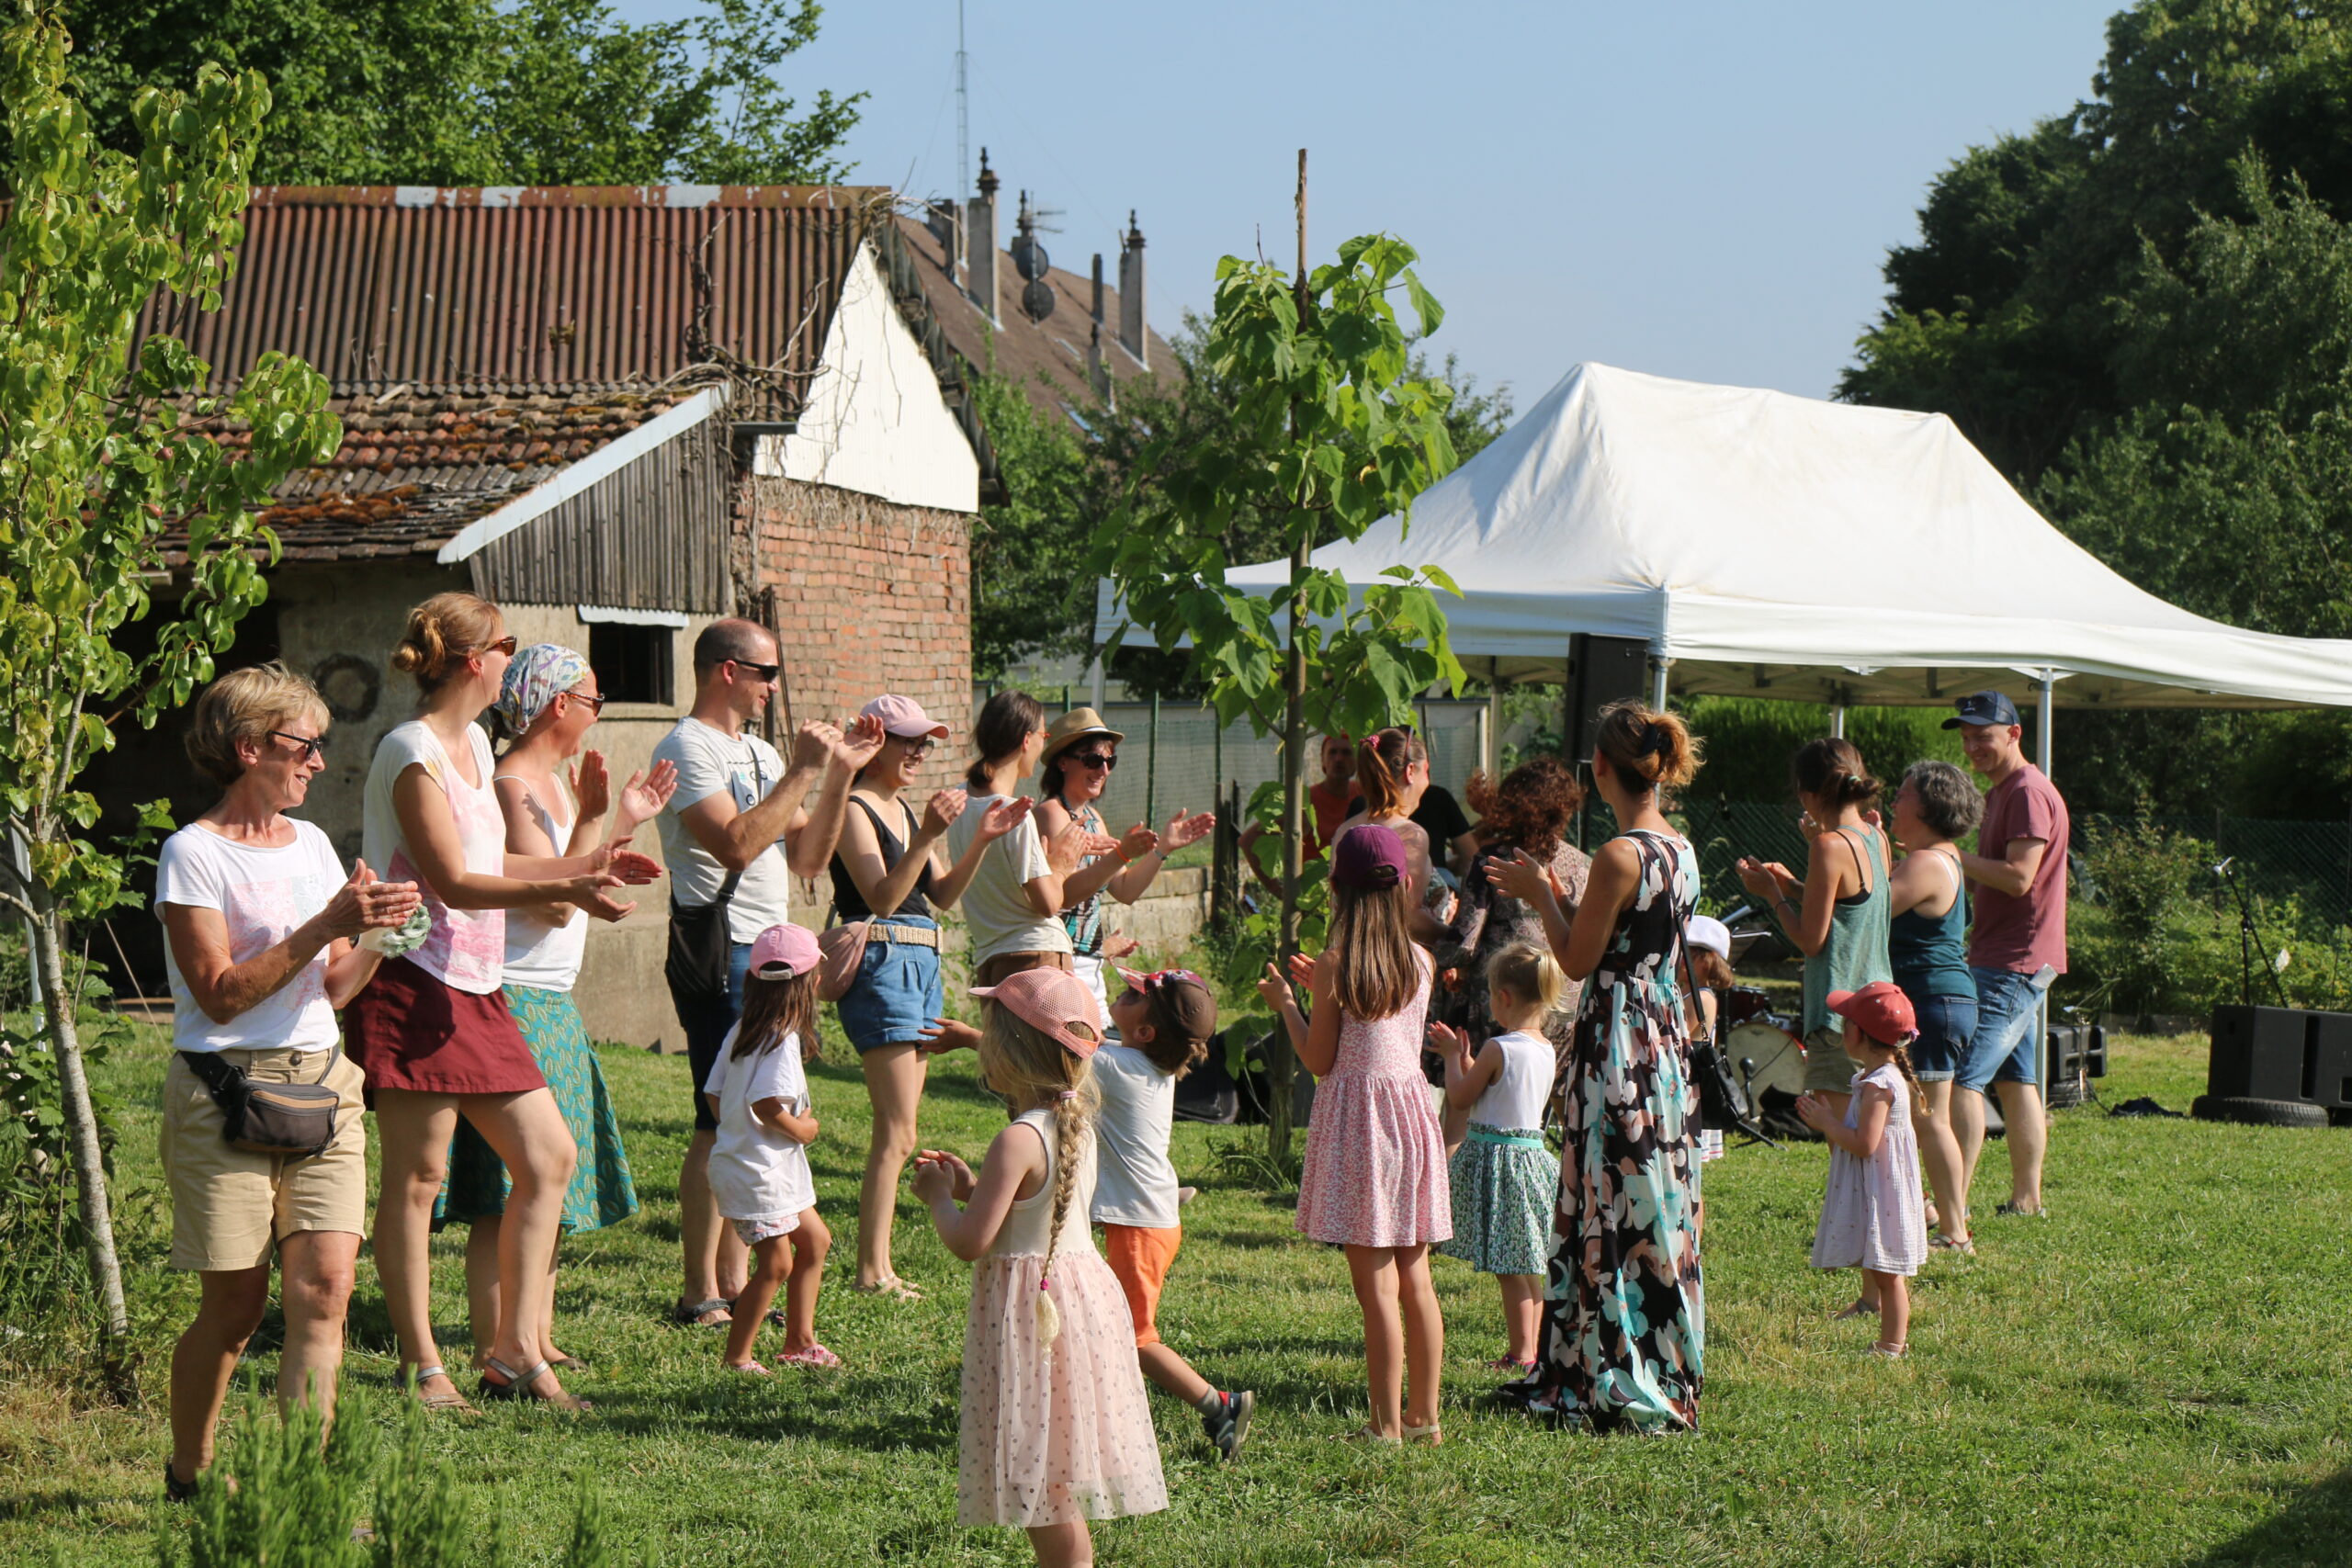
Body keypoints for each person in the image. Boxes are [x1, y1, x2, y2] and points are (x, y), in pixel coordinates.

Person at [345, 592, 661, 1414]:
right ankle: (425, 1366)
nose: (509, 660)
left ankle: (515, 1350)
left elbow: (501, 867)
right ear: (470, 659)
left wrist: (581, 878)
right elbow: (448, 878)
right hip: (414, 981)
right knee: (416, 1180)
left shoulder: (478, 750)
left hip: (481, 987)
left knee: (549, 1156)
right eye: (504, 645)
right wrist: (574, 880)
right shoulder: (411, 751)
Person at [155, 665, 423, 1499]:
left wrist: (382, 930)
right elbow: (222, 994)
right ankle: (191, 1470)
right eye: (304, 745)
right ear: (249, 748)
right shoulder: (192, 854)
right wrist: (327, 924)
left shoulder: (309, 844)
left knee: (326, 1291)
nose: (317, 761)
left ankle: (301, 1492)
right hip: (226, 1093)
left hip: (323, 1086)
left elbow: (334, 986)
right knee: (235, 1312)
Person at [435, 645, 673, 1373]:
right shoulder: (513, 785)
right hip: (517, 994)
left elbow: (579, 882)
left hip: (549, 998)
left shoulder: (548, 784)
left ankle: (533, 1332)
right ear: (555, 704)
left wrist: (618, 819)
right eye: (593, 697)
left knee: (549, 1181)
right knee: (506, 1189)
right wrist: (601, 820)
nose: (598, 711)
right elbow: (553, 901)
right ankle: (496, 1341)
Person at [651, 617, 882, 1329]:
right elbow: (737, 845)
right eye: (767, 673)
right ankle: (700, 1290)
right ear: (728, 671)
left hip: (771, 958)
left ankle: (737, 1279)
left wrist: (840, 770)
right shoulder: (686, 747)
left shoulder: (756, 750)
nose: (774, 689)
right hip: (722, 954)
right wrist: (805, 769)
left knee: (755, 1116)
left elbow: (809, 857)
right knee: (716, 1115)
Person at [1489, 698, 1704, 1432]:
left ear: (1601, 769)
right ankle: (1657, 1354)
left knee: (1604, 1193)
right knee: (1653, 1195)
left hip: (1617, 1035)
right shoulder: (1682, 848)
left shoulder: (1620, 855)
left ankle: (1606, 1367)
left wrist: (1541, 894)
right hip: (1662, 1038)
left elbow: (1577, 960)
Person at [910, 968, 1167, 1568]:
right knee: (1051, 1483)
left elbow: (972, 1241)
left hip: (1036, 1319)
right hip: (1078, 1303)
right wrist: (976, 1186)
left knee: (1041, 1487)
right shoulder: (1074, 1122)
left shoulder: (1018, 1137)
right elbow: (1031, 1207)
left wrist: (940, 1199)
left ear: (1009, 1049)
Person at [1257, 823, 1450, 1445]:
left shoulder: (1337, 964)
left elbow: (1319, 1059)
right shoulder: (1423, 961)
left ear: (1336, 889)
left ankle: (1385, 1425)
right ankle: (1425, 1416)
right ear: (1407, 886)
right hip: (1412, 1120)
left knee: (1377, 1291)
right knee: (1416, 1280)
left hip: (1364, 1131)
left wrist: (1290, 1002)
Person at [831, 692, 1026, 1300]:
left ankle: (879, 1265)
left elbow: (940, 895)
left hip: (919, 959)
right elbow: (882, 896)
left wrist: (981, 840)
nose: (918, 751)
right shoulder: (854, 808)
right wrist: (929, 836)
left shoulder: (907, 809)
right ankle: (871, 1271)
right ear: (874, 742)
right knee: (895, 1130)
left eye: (925, 741)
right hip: (884, 958)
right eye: (907, 739)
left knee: (905, 1131)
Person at [1094, 967, 1255, 1458]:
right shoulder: (1142, 1063)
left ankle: (1220, 1405)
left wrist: (974, 1037)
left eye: (1132, 993)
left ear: (1144, 1033)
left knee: (1135, 1338)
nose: (1122, 990)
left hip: (1142, 1229)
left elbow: (1054, 1052)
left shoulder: (1117, 1066)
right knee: (1109, 1327)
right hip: (1148, 1221)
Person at [1947, 690, 2068, 1222]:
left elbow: (2020, 878)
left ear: (2014, 733)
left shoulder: (2025, 792)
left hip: (2014, 961)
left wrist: (1952, 856)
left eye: (1984, 736)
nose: (1973, 746)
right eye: (1967, 737)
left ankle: (1951, 1208)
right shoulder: (2004, 790)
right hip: (2012, 956)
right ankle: (2027, 1199)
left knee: (1963, 1080)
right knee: (2017, 1082)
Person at [702, 924, 837, 1373]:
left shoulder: (744, 1030)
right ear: (810, 982)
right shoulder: (782, 1038)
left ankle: (800, 1341)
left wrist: (736, 1131)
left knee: (815, 1241)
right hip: (760, 1174)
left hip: (752, 1166)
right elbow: (765, 1103)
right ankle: (737, 1357)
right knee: (776, 1264)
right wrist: (802, 1130)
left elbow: (715, 1095)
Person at [1736, 738, 1894, 1119]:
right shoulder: (1878, 838)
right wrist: (1792, 886)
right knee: (1873, 1141)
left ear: (1806, 795)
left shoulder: (1828, 845)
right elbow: (1851, 909)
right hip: (1879, 1008)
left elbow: (1811, 939)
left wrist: (1773, 894)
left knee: (1847, 1148)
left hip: (1840, 1019)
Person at [1428, 942, 1565, 1376]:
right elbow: (1505, 1090)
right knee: (1529, 1266)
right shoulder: (1545, 1048)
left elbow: (1461, 1097)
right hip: (1532, 1160)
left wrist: (1453, 1059)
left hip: (1500, 1164)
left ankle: (1522, 1353)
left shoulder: (1499, 1046)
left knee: (1510, 1267)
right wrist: (1470, 1062)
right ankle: (1534, 1350)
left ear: (1503, 997)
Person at [1035, 707, 1216, 1013]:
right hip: (1057, 963)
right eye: (1093, 760)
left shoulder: (1092, 817)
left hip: (1087, 965)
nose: (1103, 770)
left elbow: (1124, 890)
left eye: (1110, 761)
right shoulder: (1051, 814)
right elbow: (1061, 896)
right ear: (1063, 762)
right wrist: (1121, 854)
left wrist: (1163, 849)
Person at [946, 690, 1124, 987]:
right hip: (1035, 956)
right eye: (1044, 734)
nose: (1045, 744)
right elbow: (1050, 903)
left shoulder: (957, 803)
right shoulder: (1014, 814)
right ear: (1027, 741)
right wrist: (1063, 862)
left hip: (989, 957)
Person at [1799, 983, 1930, 1359]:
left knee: (1889, 1275)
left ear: (1855, 1034)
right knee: (1879, 1262)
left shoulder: (1878, 1085)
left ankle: (1892, 1345)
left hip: (1882, 1189)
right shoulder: (1880, 1077)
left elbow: (1864, 1144)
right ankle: (1879, 1323)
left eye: (1845, 1023)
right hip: (1880, 1187)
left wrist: (1826, 1122)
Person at [1886, 760, 1982, 1254]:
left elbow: (1864, 910)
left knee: (1930, 1118)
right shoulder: (1943, 858)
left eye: (1903, 796)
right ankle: (1935, 1214)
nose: (1894, 804)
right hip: (1943, 997)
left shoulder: (1925, 863)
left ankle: (1954, 1230)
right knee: (1923, 1115)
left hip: (1932, 998)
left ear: (1927, 807)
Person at [1436, 753, 1591, 1043]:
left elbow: (1465, 943)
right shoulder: (1584, 865)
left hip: (1502, 1007)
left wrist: (1428, 953)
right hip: (1561, 1008)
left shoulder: (1494, 859)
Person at [1331, 728, 1448, 944]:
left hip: (1347, 960)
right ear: (1410, 771)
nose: (1427, 783)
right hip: (1394, 968)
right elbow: (1407, 919)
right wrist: (1456, 935)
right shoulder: (1409, 834)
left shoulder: (1345, 830)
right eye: (1426, 772)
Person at [1238, 732, 1362, 893]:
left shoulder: (1363, 796)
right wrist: (1275, 888)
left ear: (1357, 762)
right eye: (1332, 752)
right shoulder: (1304, 801)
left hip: (1352, 895)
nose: (1338, 759)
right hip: (1314, 899)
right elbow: (1247, 840)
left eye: (1346, 753)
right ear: (1322, 760)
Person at [1682, 915, 1736, 1179]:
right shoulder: (1688, 993)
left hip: (1690, 1090)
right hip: (1685, 1087)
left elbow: (1674, 1034)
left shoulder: (1701, 997)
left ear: (1705, 960)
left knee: (1688, 1176)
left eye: (1684, 953)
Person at [1409, 777, 1481, 880]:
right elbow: (1470, 857)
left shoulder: (1380, 803)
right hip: (1435, 885)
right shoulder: (1436, 796)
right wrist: (1443, 871)